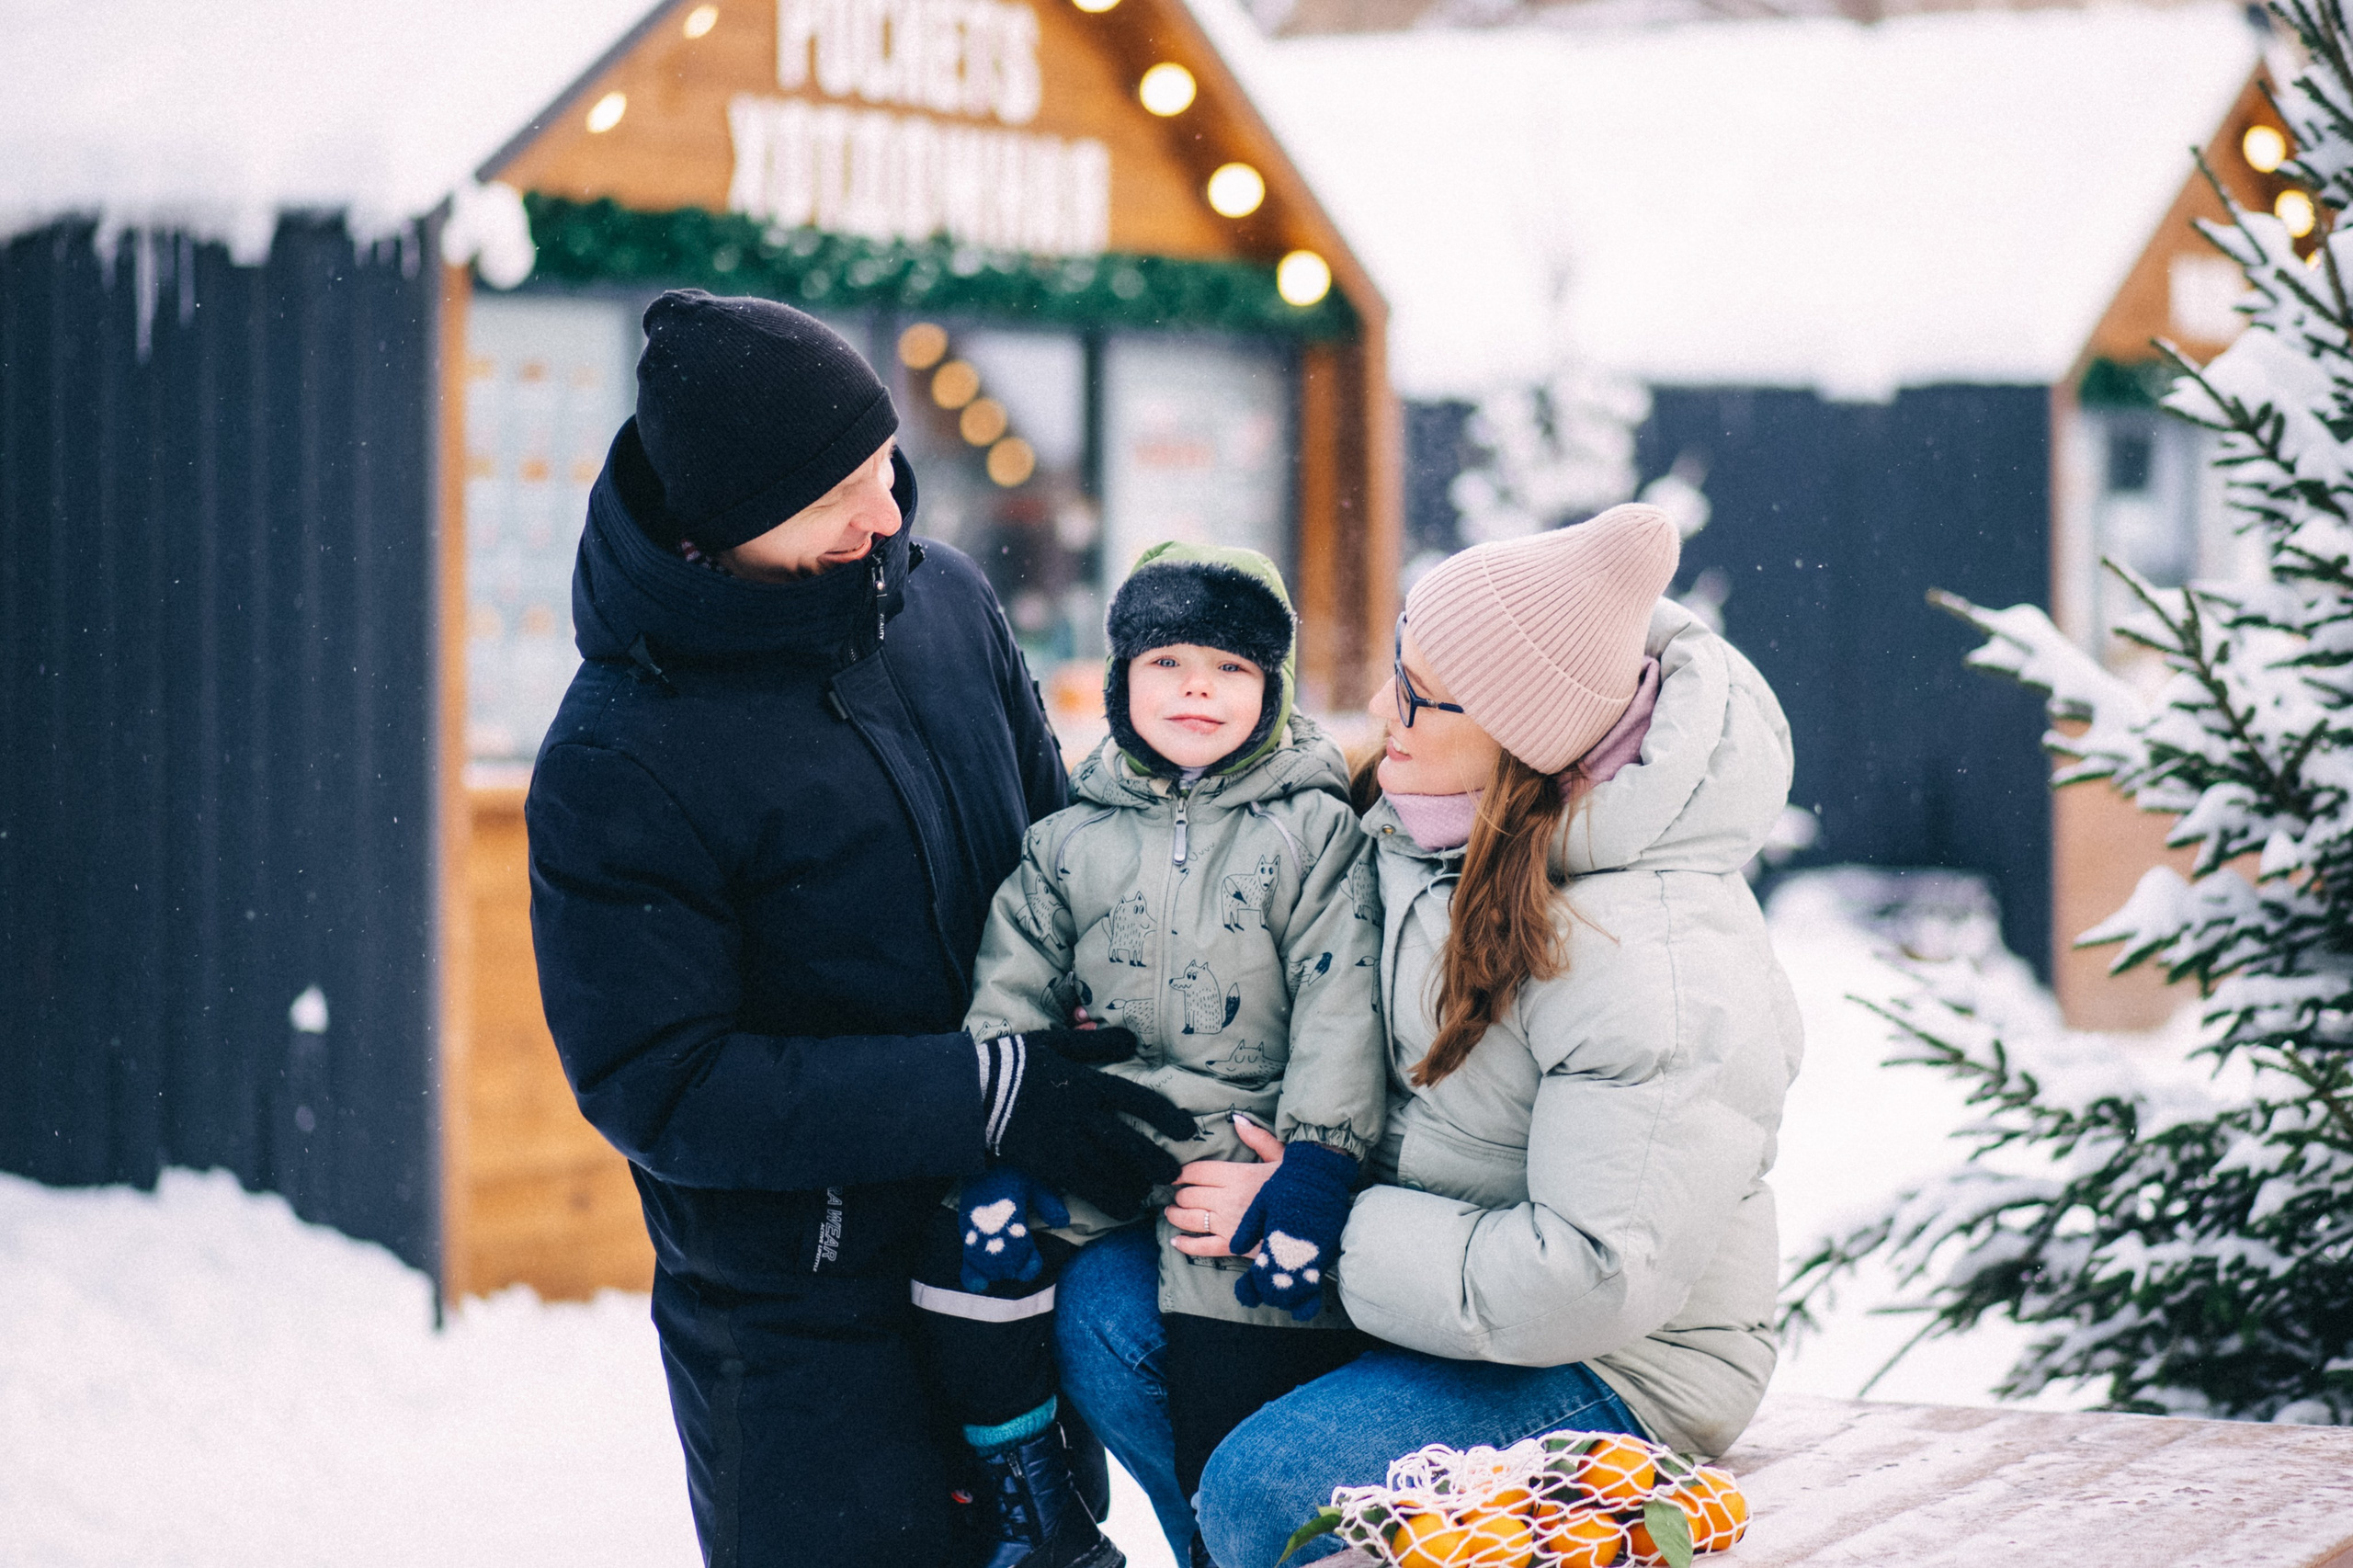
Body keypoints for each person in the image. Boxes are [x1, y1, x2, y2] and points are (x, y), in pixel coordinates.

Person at [525, 290, 1192, 1568]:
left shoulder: (941, 605)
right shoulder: (620, 752)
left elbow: (1057, 859)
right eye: (836, 491)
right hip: (800, 1319)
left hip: (1008, 1246)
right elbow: (665, 1088)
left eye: (881, 462)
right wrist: (982, 1089)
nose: (887, 510)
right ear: (724, 520)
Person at [1052, 504, 1805, 1568]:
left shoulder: (1651, 957)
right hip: (1424, 1286)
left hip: (1610, 1360)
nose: (1376, 707)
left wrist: (1316, 1222)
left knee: (1270, 1489)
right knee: (1106, 1310)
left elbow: (1589, 1273)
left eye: (1417, 694)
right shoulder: (1417, 820)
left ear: (1520, 729)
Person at [912, 544, 1388, 1568]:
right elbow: (1013, 980)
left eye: (1231, 668)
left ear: (1273, 688)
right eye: (1167, 663)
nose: (1197, 690)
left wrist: (1316, 1163)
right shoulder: (1073, 838)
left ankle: (1225, 1536)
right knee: (964, 1252)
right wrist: (1001, 1137)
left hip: (1235, 1145)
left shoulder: (1311, 832)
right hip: (1107, 1123)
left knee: (1223, 1392)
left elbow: (1339, 1000)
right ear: (1122, 679)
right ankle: (1028, 1500)